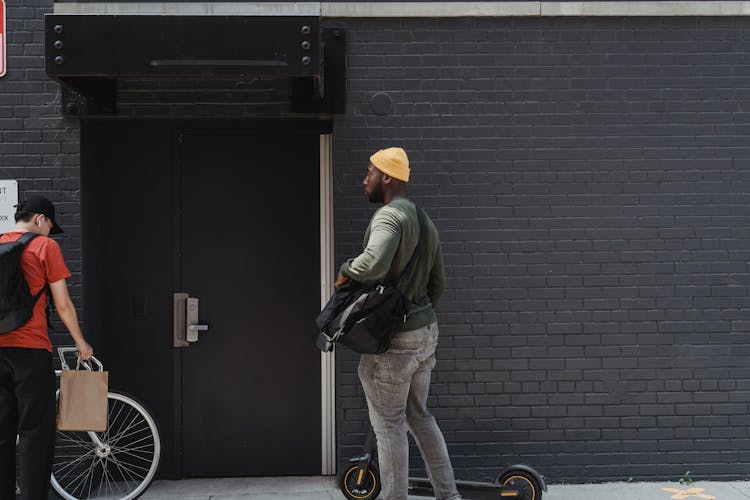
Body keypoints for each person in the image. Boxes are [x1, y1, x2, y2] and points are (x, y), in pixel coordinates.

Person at [336, 147, 461, 500]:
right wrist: (416, 317)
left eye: (370, 173)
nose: (365, 179)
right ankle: (448, 496)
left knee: (389, 426)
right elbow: (439, 285)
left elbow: (373, 263)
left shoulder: (389, 217)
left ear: (387, 177)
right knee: (419, 418)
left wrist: (347, 270)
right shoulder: (425, 221)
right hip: (425, 334)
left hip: (395, 343)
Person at [0, 195, 93, 500]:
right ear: (40, 219)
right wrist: (81, 342)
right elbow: (63, 305)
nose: (50, 232)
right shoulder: (45, 247)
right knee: (34, 431)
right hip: (30, 349)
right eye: (50, 225)